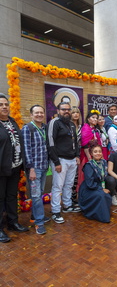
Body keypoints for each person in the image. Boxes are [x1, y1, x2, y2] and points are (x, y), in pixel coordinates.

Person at [0, 95, 28, 243]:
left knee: (12, 196)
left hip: (15, 167)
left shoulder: (12, 121)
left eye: (6, 104)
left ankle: (13, 223)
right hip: (1, 169)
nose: (4, 107)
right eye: (1, 105)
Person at [47, 102, 81, 224]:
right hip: (60, 160)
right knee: (57, 186)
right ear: (58, 110)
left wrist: (77, 155)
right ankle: (55, 211)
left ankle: (67, 206)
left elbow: (76, 142)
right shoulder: (54, 123)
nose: (66, 111)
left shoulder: (71, 124)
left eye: (68, 109)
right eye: (63, 109)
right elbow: (50, 143)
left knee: (69, 184)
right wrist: (56, 162)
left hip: (72, 160)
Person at [22, 105, 49, 235]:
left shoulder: (44, 127)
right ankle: (39, 223)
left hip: (44, 167)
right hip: (34, 169)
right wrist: (31, 168)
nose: (39, 115)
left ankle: (34, 217)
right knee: (36, 196)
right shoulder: (28, 128)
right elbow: (26, 150)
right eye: (36, 113)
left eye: (41, 112)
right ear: (31, 115)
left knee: (40, 193)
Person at [79, 144, 112, 222]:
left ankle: (103, 213)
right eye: (95, 152)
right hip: (88, 189)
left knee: (107, 196)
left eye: (100, 151)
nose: (98, 153)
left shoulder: (104, 162)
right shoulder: (89, 165)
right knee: (101, 195)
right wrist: (101, 189)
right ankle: (100, 216)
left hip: (97, 186)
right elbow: (89, 183)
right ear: (91, 154)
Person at [77, 110, 101, 188]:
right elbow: (85, 145)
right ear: (88, 119)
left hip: (96, 155)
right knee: (86, 174)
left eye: (96, 118)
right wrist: (89, 158)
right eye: (93, 117)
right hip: (87, 156)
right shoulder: (85, 128)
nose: (95, 119)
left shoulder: (95, 129)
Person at [70, 107, 82, 204]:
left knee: (78, 176)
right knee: (71, 177)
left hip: (81, 153)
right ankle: (70, 198)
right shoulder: (68, 125)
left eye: (77, 112)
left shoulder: (82, 126)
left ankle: (75, 196)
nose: (75, 114)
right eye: (73, 112)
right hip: (70, 154)